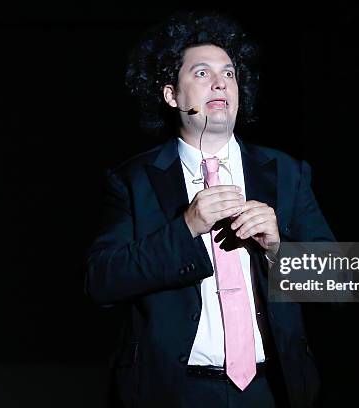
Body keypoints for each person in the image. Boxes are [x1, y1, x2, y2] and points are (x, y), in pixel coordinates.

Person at [86, 11, 335, 408]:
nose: (221, 81)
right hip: (172, 391)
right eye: (202, 73)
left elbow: (337, 284)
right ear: (172, 95)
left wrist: (277, 250)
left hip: (271, 390)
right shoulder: (132, 180)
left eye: (230, 74)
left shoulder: (287, 173)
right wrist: (185, 228)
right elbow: (101, 281)